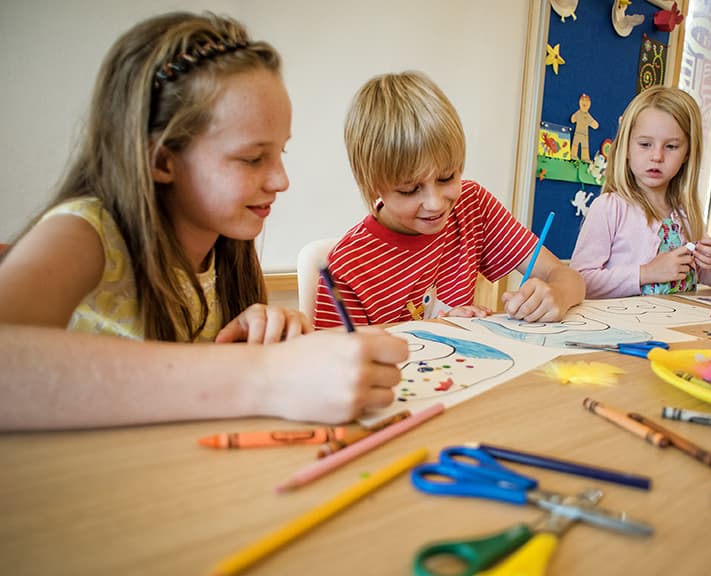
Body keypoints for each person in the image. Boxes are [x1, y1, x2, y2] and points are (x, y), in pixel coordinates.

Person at [0, 12, 407, 430]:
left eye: (280, 153)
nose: (281, 181)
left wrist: (254, 337)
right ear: (161, 159)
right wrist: (264, 374)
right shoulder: (84, 233)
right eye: (251, 158)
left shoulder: (227, 245)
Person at [313, 71, 585, 329]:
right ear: (374, 187)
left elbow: (569, 278)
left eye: (446, 178)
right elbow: (337, 366)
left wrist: (557, 295)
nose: (435, 203)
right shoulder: (347, 268)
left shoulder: (473, 205)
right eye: (409, 189)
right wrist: (435, 332)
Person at [569, 86, 711, 298]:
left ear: (687, 154)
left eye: (671, 146)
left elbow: (703, 276)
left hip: (674, 326)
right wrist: (646, 273)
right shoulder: (609, 208)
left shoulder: (687, 215)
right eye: (645, 144)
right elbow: (580, 281)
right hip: (625, 328)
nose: (657, 156)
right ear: (626, 148)